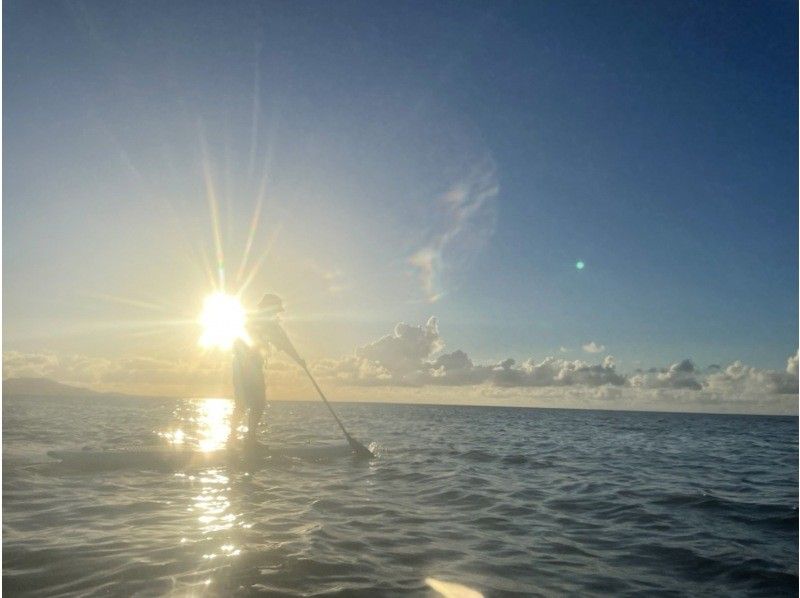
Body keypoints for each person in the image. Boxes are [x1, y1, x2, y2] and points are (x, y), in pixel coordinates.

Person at [230, 338, 266, 447]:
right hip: (247, 388)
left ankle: (247, 436)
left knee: (253, 408)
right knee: (244, 408)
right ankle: (238, 436)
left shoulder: (250, 356)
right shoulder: (241, 358)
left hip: (251, 387)